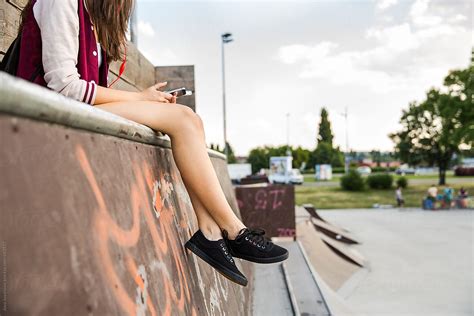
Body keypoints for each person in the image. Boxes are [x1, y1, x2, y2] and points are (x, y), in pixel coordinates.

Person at [14, 0, 288, 287]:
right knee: (182, 119)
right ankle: (234, 231)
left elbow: (92, 90)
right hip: (45, 115)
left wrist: (147, 100)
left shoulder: (91, 17)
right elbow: (65, 86)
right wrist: (139, 99)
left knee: (191, 120)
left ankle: (209, 232)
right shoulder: (61, 1)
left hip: (73, 110)